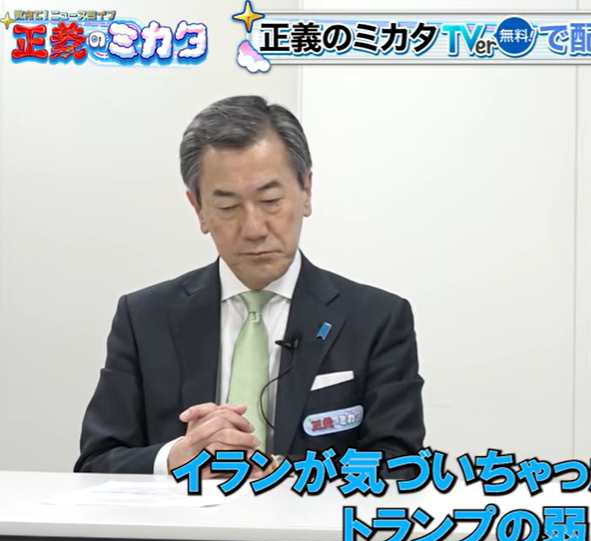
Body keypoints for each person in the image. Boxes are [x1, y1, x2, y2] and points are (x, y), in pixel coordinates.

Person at [75, 95, 426, 478]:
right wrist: (176, 457)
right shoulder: (144, 317)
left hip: (306, 517)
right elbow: (96, 463)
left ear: (306, 191)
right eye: (228, 207)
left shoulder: (376, 319)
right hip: (181, 518)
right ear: (198, 209)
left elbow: (399, 466)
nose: (254, 228)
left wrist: (280, 474)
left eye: (271, 200)